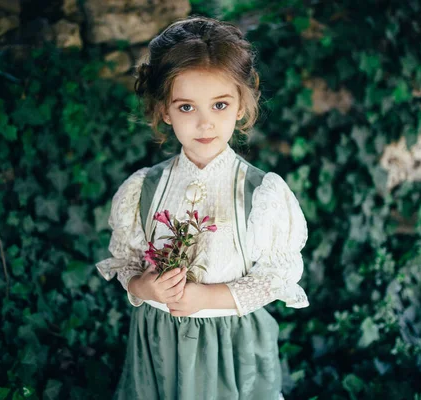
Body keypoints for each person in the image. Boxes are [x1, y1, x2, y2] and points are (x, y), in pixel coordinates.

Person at [96, 16, 309, 400]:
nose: (205, 122)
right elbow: (126, 262)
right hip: (159, 344)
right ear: (164, 110)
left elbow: (277, 277)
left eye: (220, 104)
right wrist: (146, 286)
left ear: (241, 105)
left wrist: (205, 298)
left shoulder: (262, 194)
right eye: (187, 107)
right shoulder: (143, 189)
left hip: (230, 348)